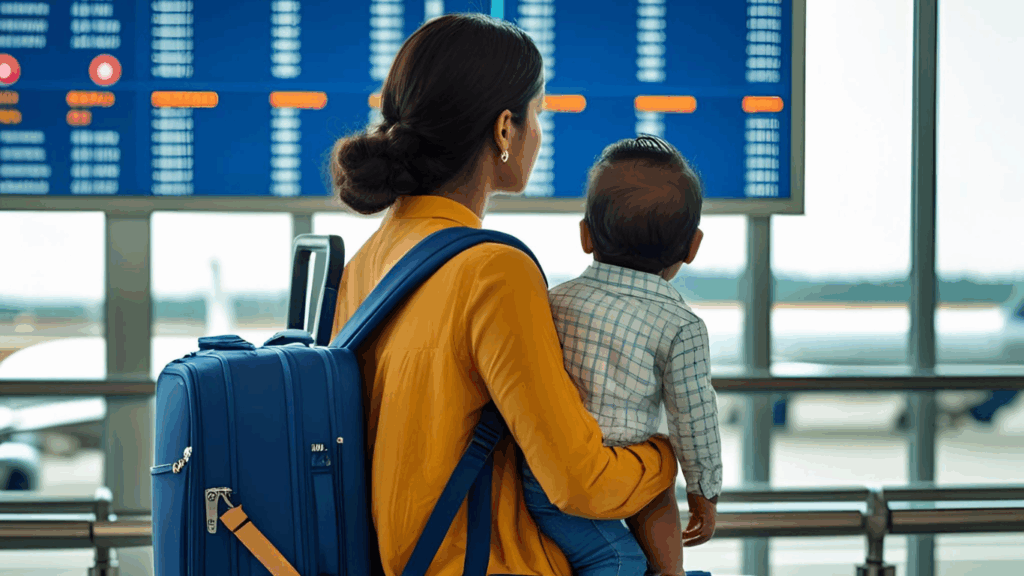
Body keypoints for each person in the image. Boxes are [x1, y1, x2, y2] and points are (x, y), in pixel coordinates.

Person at [328, 13, 678, 576]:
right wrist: (666, 455)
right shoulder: (494, 270)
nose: (539, 131)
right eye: (538, 112)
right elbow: (579, 481)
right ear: (503, 129)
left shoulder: (371, 259)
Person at [519, 135, 722, 576]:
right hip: (608, 478)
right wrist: (705, 491)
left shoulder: (554, 302)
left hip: (544, 477)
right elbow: (695, 417)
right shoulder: (681, 325)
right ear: (693, 246)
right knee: (621, 553)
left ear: (585, 235)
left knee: (652, 476)